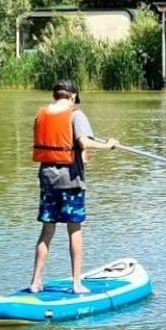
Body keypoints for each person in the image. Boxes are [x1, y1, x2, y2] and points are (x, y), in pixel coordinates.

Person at [29, 79, 117, 294]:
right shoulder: (76, 114)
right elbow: (84, 143)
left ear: (55, 96)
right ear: (72, 97)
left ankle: (35, 283)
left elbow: (65, 143)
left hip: (47, 179)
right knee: (74, 229)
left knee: (47, 230)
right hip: (70, 180)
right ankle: (77, 284)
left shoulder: (40, 115)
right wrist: (108, 145)